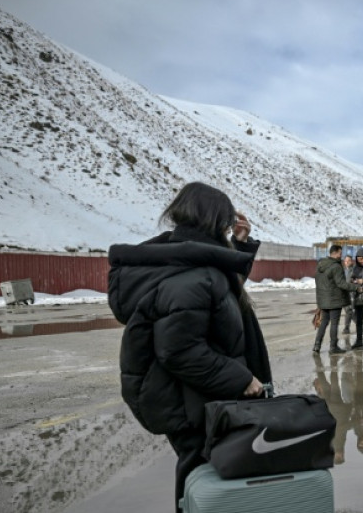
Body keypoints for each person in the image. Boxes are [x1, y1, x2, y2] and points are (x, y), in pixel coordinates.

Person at [108, 182, 272, 511]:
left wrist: (239, 246)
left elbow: (222, 289)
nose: (229, 229)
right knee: (203, 481)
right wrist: (241, 379)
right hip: (196, 402)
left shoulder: (184, 259)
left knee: (204, 481)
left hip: (195, 398)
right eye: (226, 224)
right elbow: (179, 350)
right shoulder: (192, 275)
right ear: (214, 222)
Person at [314, 244, 357, 354]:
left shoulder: (320, 265)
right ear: (337, 253)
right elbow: (341, 284)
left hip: (323, 300)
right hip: (335, 300)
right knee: (334, 324)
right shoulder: (336, 267)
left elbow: (318, 283)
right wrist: (356, 288)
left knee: (323, 323)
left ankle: (316, 346)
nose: (341, 255)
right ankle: (333, 347)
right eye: (340, 253)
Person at [342, 254, 355, 336]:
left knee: (348, 311)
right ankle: (357, 320)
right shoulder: (342, 270)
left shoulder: (354, 270)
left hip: (351, 293)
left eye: (348, 261)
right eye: (345, 261)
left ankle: (346, 328)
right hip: (343, 293)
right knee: (348, 311)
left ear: (351, 261)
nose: (346, 262)